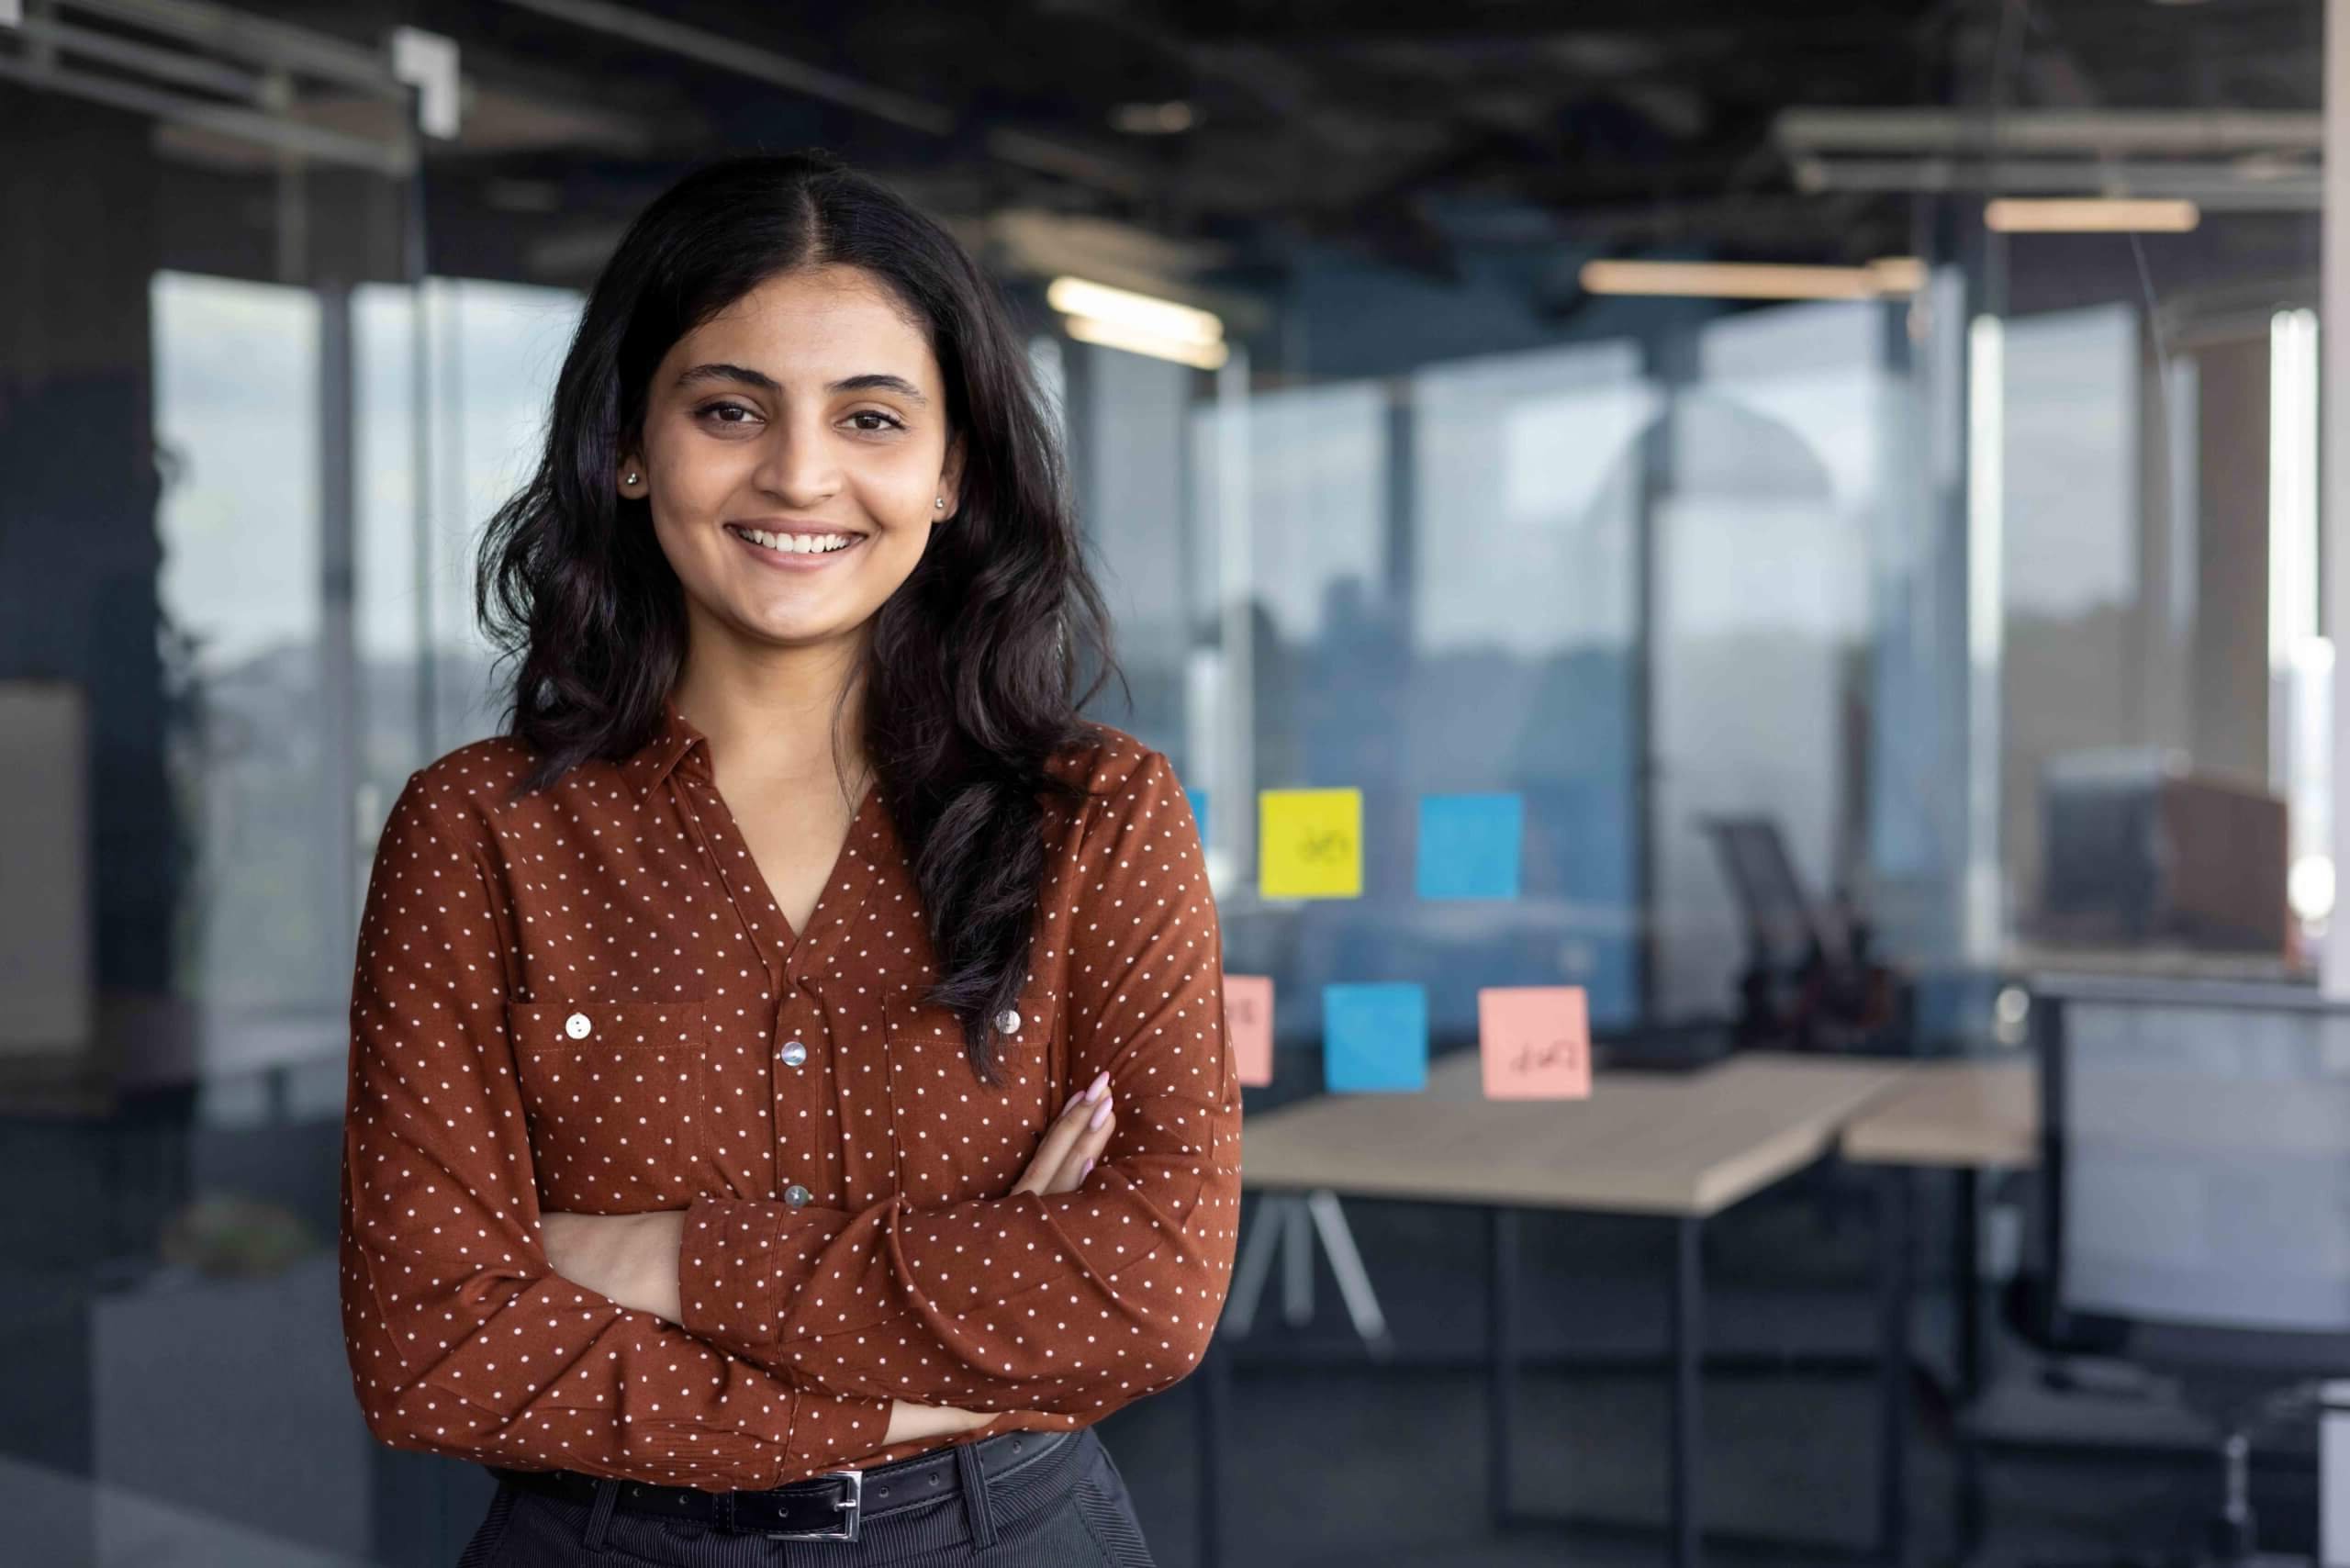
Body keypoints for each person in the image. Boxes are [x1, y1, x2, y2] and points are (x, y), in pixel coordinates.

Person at [336, 151, 1240, 1567]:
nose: (801, 474)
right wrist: (942, 1389)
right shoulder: (478, 833)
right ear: (633, 446)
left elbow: (1154, 1292)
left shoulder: (1097, 819)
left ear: (952, 471)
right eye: (728, 409)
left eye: (871, 417)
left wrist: (662, 1258)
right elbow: (433, 1348)